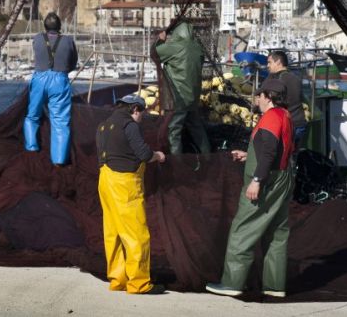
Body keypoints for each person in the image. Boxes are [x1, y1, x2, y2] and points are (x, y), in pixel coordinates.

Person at [206, 78, 294, 298]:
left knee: (242, 228)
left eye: (260, 95)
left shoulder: (271, 117)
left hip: (267, 181)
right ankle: (275, 287)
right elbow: (278, 148)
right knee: (276, 232)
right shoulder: (285, 115)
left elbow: (269, 151)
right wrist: (248, 155)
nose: (257, 98)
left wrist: (256, 180)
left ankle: (232, 283)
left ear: (268, 97)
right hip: (283, 177)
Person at [96, 94, 167, 295]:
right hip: (125, 183)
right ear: (135, 109)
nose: (142, 118)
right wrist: (158, 156)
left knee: (113, 232)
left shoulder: (103, 125)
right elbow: (143, 154)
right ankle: (139, 283)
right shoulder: (129, 125)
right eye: (142, 113)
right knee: (136, 234)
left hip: (105, 180)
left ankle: (118, 279)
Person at [23, 12, 78, 165]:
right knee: (60, 121)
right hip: (59, 79)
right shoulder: (68, 41)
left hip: (40, 78)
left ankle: (32, 148)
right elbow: (73, 62)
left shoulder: (38, 38)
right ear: (60, 27)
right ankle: (59, 160)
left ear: (45, 26)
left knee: (32, 115)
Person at [153, 21, 210, 154]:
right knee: (196, 128)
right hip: (193, 97)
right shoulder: (197, 47)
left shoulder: (175, 46)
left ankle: (177, 164)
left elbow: (155, 54)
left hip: (178, 97)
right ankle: (208, 158)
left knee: (174, 131)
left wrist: (161, 41)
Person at [265, 50, 307, 147]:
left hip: (285, 125)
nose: (267, 66)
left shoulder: (275, 79)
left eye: (269, 62)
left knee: (281, 159)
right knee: (292, 157)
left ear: (278, 62)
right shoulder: (296, 78)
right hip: (299, 124)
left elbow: (266, 98)